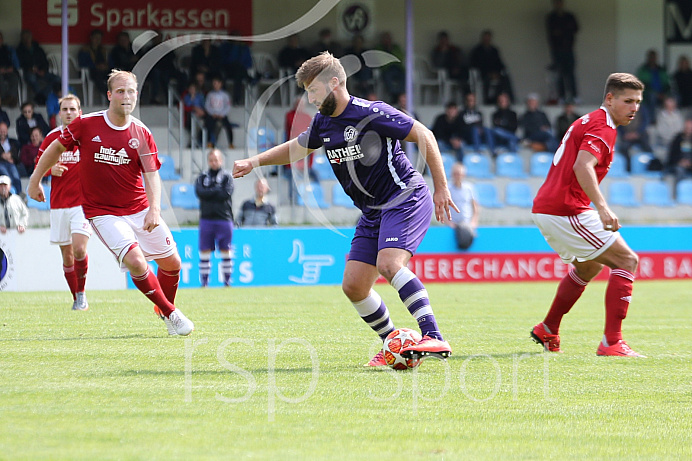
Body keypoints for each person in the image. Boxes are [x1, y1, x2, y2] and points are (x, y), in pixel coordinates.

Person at [233, 52, 457, 365]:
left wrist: (441, 187)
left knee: (389, 264)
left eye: (312, 90)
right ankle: (392, 343)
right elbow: (294, 150)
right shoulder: (323, 123)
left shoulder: (371, 112)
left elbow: (424, 134)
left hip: (403, 196)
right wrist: (254, 161)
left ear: (334, 83)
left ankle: (433, 336)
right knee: (353, 285)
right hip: (373, 211)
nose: (309, 98)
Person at [28, 70, 194, 336]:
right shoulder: (86, 124)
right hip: (103, 213)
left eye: (130, 91)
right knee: (137, 263)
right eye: (120, 91)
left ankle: (164, 309)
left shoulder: (142, 132)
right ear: (109, 95)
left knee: (173, 263)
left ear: (136, 95)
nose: (126, 96)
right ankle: (171, 314)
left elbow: (152, 175)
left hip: (139, 208)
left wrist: (154, 208)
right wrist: (35, 180)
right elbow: (55, 147)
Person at [531, 72, 646, 357]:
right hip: (566, 209)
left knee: (588, 267)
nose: (634, 108)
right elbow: (582, 167)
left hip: (551, 208)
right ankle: (612, 342)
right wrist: (603, 208)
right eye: (628, 101)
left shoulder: (591, 120)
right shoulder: (602, 126)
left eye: (638, 102)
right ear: (610, 98)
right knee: (627, 260)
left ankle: (548, 328)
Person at [35, 93, 91, 310]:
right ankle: (77, 298)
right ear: (59, 114)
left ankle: (82, 293)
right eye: (65, 109)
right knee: (67, 256)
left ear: (80, 112)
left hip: (82, 204)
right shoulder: (51, 138)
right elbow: (38, 166)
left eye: (73, 109)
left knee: (79, 249)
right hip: (59, 204)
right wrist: (50, 170)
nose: (69, 113)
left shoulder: (87, 137)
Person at [195, 148, 234, 287]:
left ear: (221, 160)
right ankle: (204, 283)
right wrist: (216, 190)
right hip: (206, 219)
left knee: (226, 250)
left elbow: (226, 194)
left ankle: (227, 282)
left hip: (224, 218)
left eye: (216, 159)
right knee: (205, 250)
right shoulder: (202, 177)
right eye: (211, 160)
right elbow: (200, 193)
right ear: (208, 161)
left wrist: (209, 193)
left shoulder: (227, 177)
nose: (214, 162)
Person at [546, 0, 579, 103]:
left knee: (570, 73)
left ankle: (574, 96)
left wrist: (563, 31)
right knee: (559, 74)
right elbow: (552, 32)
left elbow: (575, 28)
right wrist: (564, 30)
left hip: (568, 49)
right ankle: (562, 96)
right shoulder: (551, 17)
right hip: (557, 50)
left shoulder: (569, 16)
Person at [469, 29, 513, 105]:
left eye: (488, 38)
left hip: (495, 73)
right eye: (485, 38)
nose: (487, 40)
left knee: (505, 78)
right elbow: (475, 65)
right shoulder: (477, 50)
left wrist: (498, 73)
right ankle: (487, 101)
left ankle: (508, 99)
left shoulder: (494, 50)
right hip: (483, 74)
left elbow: (499, 63)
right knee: (487, 80)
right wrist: (489, 73)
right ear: (482, 39)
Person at [15, 29, 58, 105]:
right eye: (24, 38)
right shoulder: (19, 50)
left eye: (28, 37)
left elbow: (45, 62)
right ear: (22, 39)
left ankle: (41, 96)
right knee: (32, 78)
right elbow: (19, 64)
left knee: (57, 79)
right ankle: (41, 99)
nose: (27, 39)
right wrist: (29, 69)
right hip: (28, 72)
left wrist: (43, 70)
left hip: (41, 72)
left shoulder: (38, 49)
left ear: (31, 38)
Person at [448, 163, 479, 250]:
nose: (458, 176)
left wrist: (473, 222)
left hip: (467, 224)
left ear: (464, 175)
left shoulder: (469, 188)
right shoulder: (447, 189)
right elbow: (440, 208)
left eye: (460, 174)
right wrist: (448, 223)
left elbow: (475, 207)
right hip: (452, 226)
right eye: (456, 174)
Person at [636, 49, 670, 123]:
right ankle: (653, 120)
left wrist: (663, 93)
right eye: (651, 57)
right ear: (648, 58)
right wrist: (657, 94)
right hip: (648, 94)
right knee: (652, 97)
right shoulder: (643, 69)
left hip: (662, 92)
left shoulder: (661, 69)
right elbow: (643, 84)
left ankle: (669, 120)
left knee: (672, 97)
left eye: (654, 57)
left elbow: (666, 83)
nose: (652, 59)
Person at [204, 76, 235, 148]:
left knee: (228, 127)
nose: (215, 85)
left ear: (220, 84)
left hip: (222, 115)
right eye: (214, 84)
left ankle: (231, 143)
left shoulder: (225, 95)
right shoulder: (210, 94)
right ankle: (209, 142)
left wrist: (222, 114)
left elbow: (228, 106)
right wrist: (212, 113)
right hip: (213, 115)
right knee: (209, 126)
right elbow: (207, 105)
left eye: (216, 83)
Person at [78, 29, 109, 99]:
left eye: (99, 38)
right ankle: (109, 96)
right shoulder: (85, 50)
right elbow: (82, 63)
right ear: (91, 38)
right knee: (98, 78)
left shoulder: (103, 50)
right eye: (96, 38)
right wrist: (96, 66)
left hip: (104, 71)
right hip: (91, 72)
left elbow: (110, 62)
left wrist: (106, 66)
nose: (97, 40)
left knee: (114, 76)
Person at [666, 118, 692, 185]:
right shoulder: (677, 138)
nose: (688, 130)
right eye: (687, 128)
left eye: (690, 128)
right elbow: (672, 154)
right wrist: (680, 161)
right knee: (680, 170)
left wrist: (689, 162)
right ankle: (679, 192)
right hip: (678, 163)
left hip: (690, 163)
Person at [0, 31, 20, 108]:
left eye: (0, 38)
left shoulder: (8, 49)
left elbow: (16, 64)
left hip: (8, 71)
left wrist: (12, 68)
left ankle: (11, 97)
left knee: (14, 78)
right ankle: (4, 99)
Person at [0, 121, 22, 194]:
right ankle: (10, 193)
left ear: (7, 131)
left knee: (16, 177)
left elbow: (16, 156)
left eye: (4, 131)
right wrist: (2, 156)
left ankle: (19, 193)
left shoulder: (13, 142)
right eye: (1, 131)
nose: (3, 132)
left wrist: (10, 156)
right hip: (1, 163)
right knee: (7, 176)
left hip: (11, 163)